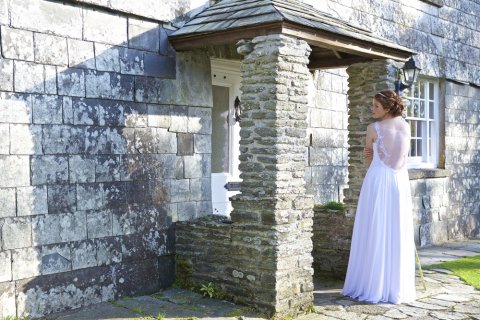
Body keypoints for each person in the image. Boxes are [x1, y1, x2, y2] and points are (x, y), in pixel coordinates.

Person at [341, 89, 417, 304]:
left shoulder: (372, 128)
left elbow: (368, 159)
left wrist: (370, 156)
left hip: (377, 180)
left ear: (387, 107)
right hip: (398, 182)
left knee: (373, 228)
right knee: (395, 228)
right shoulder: (405, 125)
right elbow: (401, 158)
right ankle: (394, 286)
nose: (371, 109)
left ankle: (371, 284)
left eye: (375, 105)